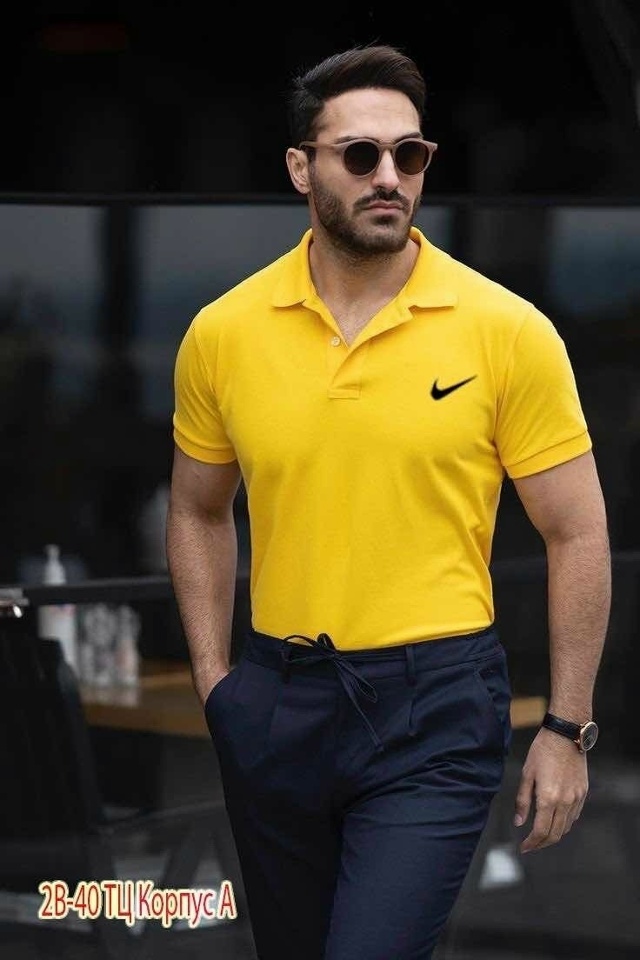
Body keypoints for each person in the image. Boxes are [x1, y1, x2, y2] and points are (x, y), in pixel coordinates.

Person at [166, 43, 611, 960]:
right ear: (302, 169)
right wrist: (218, 685)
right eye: (360, 154)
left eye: (410, 155)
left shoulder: (507, 331)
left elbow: (576, 531)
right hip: (277, 700)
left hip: (434, 709)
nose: (389, 177)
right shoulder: (222, 333)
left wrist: (567, 728)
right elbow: (198, 511)